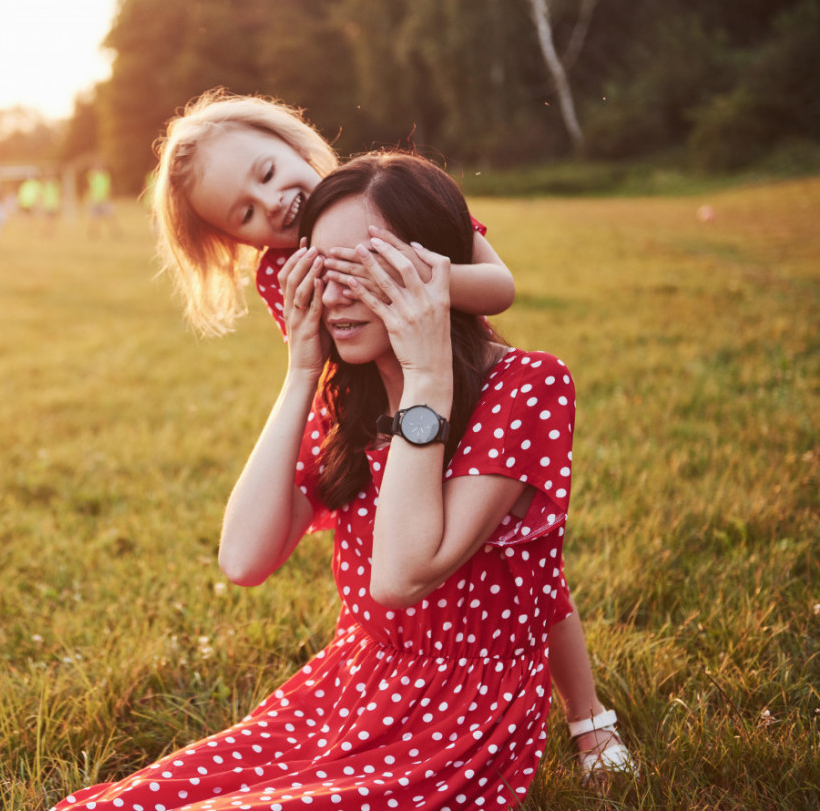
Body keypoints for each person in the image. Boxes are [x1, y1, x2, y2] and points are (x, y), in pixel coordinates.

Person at [54, 151, 583, 809]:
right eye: (319, 270)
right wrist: (301, 372)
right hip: (343, 693)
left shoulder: (526, 386)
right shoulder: (349, 409)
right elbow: (243, 559)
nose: (333, 295)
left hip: (455, 726)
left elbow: (399, 576)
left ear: (432, 274)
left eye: (362, 269)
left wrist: (424, 378)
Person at [149, 90, 633, 781]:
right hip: (356, 401)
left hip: (452, 385)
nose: (272, 207)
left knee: (530, 573)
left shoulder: (399, 200)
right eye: (244, 214)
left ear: (295, 144)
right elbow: (243, 558)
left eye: (265, 174)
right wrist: (304, 379)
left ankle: (588, 719)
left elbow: (497, 286)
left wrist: (419, 292)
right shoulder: (280, 274)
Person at [86, 162, 120, 239]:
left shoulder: (105, 176)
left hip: (105, 200)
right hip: (95, 200)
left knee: (111, 217)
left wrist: (111, 196)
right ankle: (92, 234)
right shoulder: (92, 176)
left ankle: (114, 233)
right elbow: (89, 180)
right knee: (93, 218)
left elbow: (109, 187)